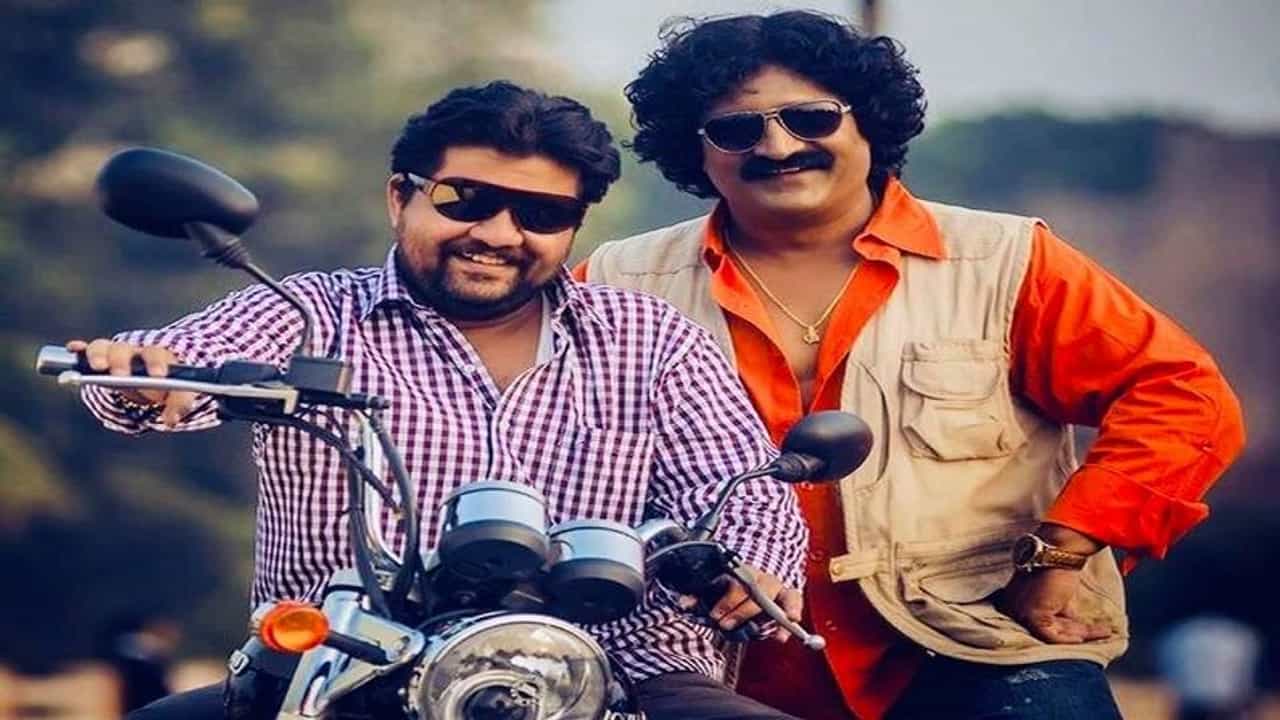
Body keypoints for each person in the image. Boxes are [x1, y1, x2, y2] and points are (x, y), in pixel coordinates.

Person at [576, 10, 1246, 720]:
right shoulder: (617, 282)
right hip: (703, 666)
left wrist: (1062, 548)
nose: (778, 145)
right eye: (737, 129)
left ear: (868, 121)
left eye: (811, 118)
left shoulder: (1003, 261)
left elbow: (1185, 398)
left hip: (981, 645)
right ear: (696, 147)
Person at [71, 81, 810, 719]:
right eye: (466, 200)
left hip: (617, 671)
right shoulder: (310, 313)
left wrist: (752, 566)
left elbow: (741, 487)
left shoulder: (649, 337)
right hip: (344, 668)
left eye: (541, 214)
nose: (497, 234)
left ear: (573, 228)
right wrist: (144, 378)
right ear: (401, 197)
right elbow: (174, 366)